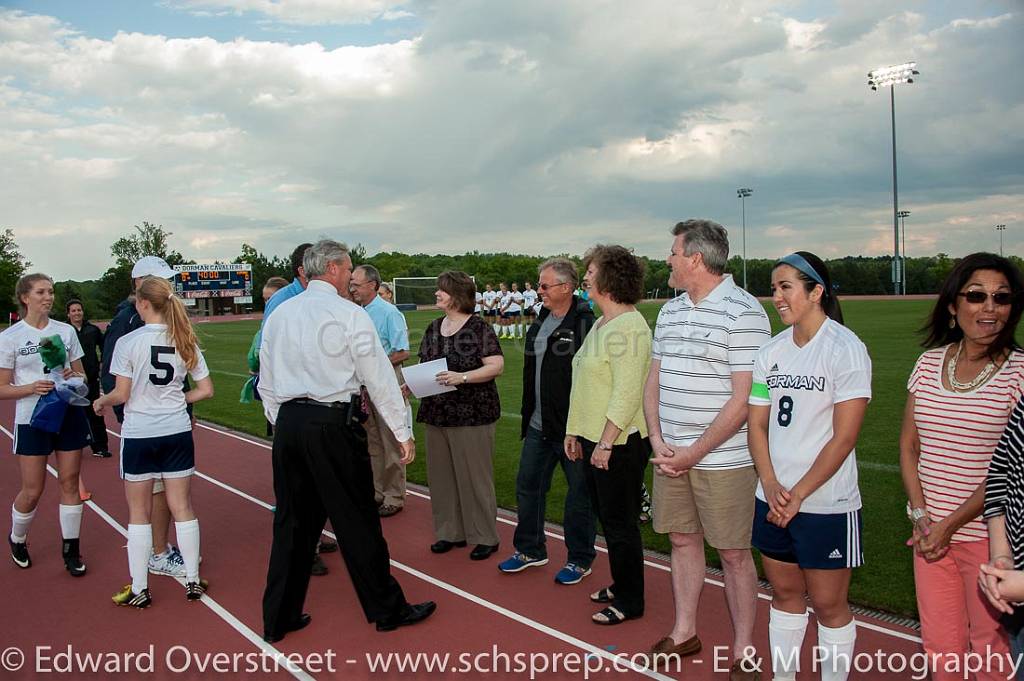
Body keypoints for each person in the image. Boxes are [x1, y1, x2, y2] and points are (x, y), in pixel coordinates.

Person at [259, 240, 435, 640]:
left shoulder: (282, 313)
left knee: (291, 525)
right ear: (335, 268)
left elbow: (265, 378)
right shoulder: (349, 314)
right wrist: (402, 430)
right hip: (332, 423)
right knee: (358, 522)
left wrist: (282, 419)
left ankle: (278, 617)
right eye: (348, 269)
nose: (350, 278)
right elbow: (377, 375)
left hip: (290, 425)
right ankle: (388, 610)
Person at [645, 220, 771, 677]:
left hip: (723, 460)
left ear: (695, 258)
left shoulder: (745, 312)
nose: (669, 260)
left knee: (735, 553)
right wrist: (658, 441)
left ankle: (743, 651)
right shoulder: (670, 311)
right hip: (670, 454)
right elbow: (654, 379)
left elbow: (745, 398)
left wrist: (693, 452)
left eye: (673, 253)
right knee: (681, 540)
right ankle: (684, 632)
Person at [748, 252, 871, 681]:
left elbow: (845, 436)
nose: (776, 296)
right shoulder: (769, 353)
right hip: (773, 499)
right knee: (783, 594)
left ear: (816, 291)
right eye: (774, 287)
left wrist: (797, 494)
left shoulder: (846, 349)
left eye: (786, 287)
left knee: (829, 605)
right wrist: (770, 483)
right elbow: (757, 424)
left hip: (825, 503)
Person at [902, 253, 1023, 679]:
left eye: (1002, 298)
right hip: (929, 536)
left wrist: (947, 526)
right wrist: (921, 517)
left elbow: (1009, 471)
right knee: (940, 649)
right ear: (954, 306)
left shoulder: (1019, 375)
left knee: (989, 650)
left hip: (992, 544)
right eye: (976, 295)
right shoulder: (929, 363)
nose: (990, 307)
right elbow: (909, 445)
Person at [95, 276, 215, 607]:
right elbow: (206, 389)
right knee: (183, 507)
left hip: (140, 433)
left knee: (138, 511)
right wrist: (178, 399)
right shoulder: (184, 339)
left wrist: (101, 402)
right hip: (176, 431)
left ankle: (139, 588)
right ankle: (192, 579)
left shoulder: (128, 342)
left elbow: (121, 393)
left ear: (144, 303)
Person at [564, 245, 651, 625]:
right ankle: (621, 582)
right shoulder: (602, 323)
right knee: (609, 519)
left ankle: (632, 599)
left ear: (609, 278)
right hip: (595, 437)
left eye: (591, 270)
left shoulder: (630, 327)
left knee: (620, 524)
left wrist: (604, 441)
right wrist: (574, 430)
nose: (585, 276)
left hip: (619, 441)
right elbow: (583, 379)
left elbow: (627, 391)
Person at [498, 258, 597, 584]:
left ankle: (580, 559)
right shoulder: (541, 320)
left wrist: (579, 427)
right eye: (539, 285)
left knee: (578, 497)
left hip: (572, 429)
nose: (538, 290)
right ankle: (530, 550)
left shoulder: (585, 323)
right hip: (539, 426)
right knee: (527, 486)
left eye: (544, 285)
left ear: (566, 288)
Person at [101, 256, 189, 578]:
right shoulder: (127, 321)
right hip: (147, 421)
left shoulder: (166, 318)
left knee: (166, 489)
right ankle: (158, 551)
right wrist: (129, 412)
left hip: (168, 417)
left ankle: (159, 549)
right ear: (140, 284)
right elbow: (111, 376)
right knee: (154, 492)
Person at [2, 273, 91, 576]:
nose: (48, 297)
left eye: (51, 292)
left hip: (67, 413)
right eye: (41, 292)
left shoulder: (65, 332)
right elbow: (1, 388)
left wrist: (72, 377)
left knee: (69, 481)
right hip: (32, 418)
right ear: (25, 297)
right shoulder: (10, 337)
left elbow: (83, 377)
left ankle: (71, 549)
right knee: (32, 490)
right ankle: (17, 538)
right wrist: (31, 388)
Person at [414, 271, 504, 559]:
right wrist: (409, 384)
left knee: (475, 478)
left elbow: (495, 365)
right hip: (437, 413)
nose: (436, 294)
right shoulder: (432, 327)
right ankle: (449, 532)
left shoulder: (479, 329)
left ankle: (485, 536)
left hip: (472, 414)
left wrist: (462, 377)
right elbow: (424, 365)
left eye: (441, 290)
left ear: (456, 295)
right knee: (441, 477)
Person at [350, 264, 411, 518]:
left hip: (385, 379)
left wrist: (377, 366)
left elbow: (403, 350)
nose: (352, 287)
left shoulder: (388, 313)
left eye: (356, 283)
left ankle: (394, 495)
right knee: (371, 440)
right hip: (363, 384)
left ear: (373, 285)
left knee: (390, 438)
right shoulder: (356, 312)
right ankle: (376, 491)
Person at [67, 299, 110, 459]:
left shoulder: (92, 330)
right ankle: (72, 446)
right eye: (73, 310)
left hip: (91, 379)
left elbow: (105, 346)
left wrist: (101, 363)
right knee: (73, 414)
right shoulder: (64, 331)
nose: (77, 313)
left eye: (79, 310)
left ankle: (100, 446)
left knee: (95, 412)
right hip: (71, 381)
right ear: (68, 313)